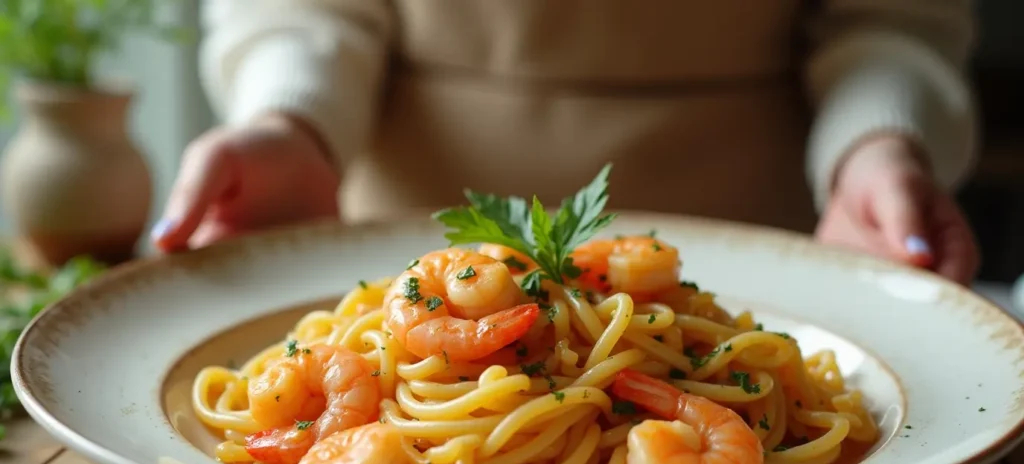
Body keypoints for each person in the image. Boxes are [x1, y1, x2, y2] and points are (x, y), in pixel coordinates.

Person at [152, 0, 981, 285]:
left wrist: (876, 144)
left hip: (774, 242)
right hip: (395, 234)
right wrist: (290, 121)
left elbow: (893, 20)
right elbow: (305, 9)